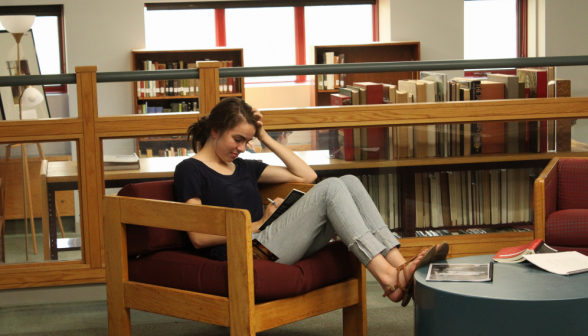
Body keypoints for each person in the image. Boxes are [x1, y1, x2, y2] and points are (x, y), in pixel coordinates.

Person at [173, 97, 447, 304]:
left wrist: (264, 136)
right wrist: (260, 222)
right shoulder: (190, 170)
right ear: (214, 130)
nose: (242, 148)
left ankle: (398, 265)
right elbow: (198, 236)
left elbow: (306, 175)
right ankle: (388, 277)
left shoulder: (244, 167)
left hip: (270, 241)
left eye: (247, 140)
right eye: (238, 139)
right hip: (246, 250)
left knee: (348, 181)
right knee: (329, 190)